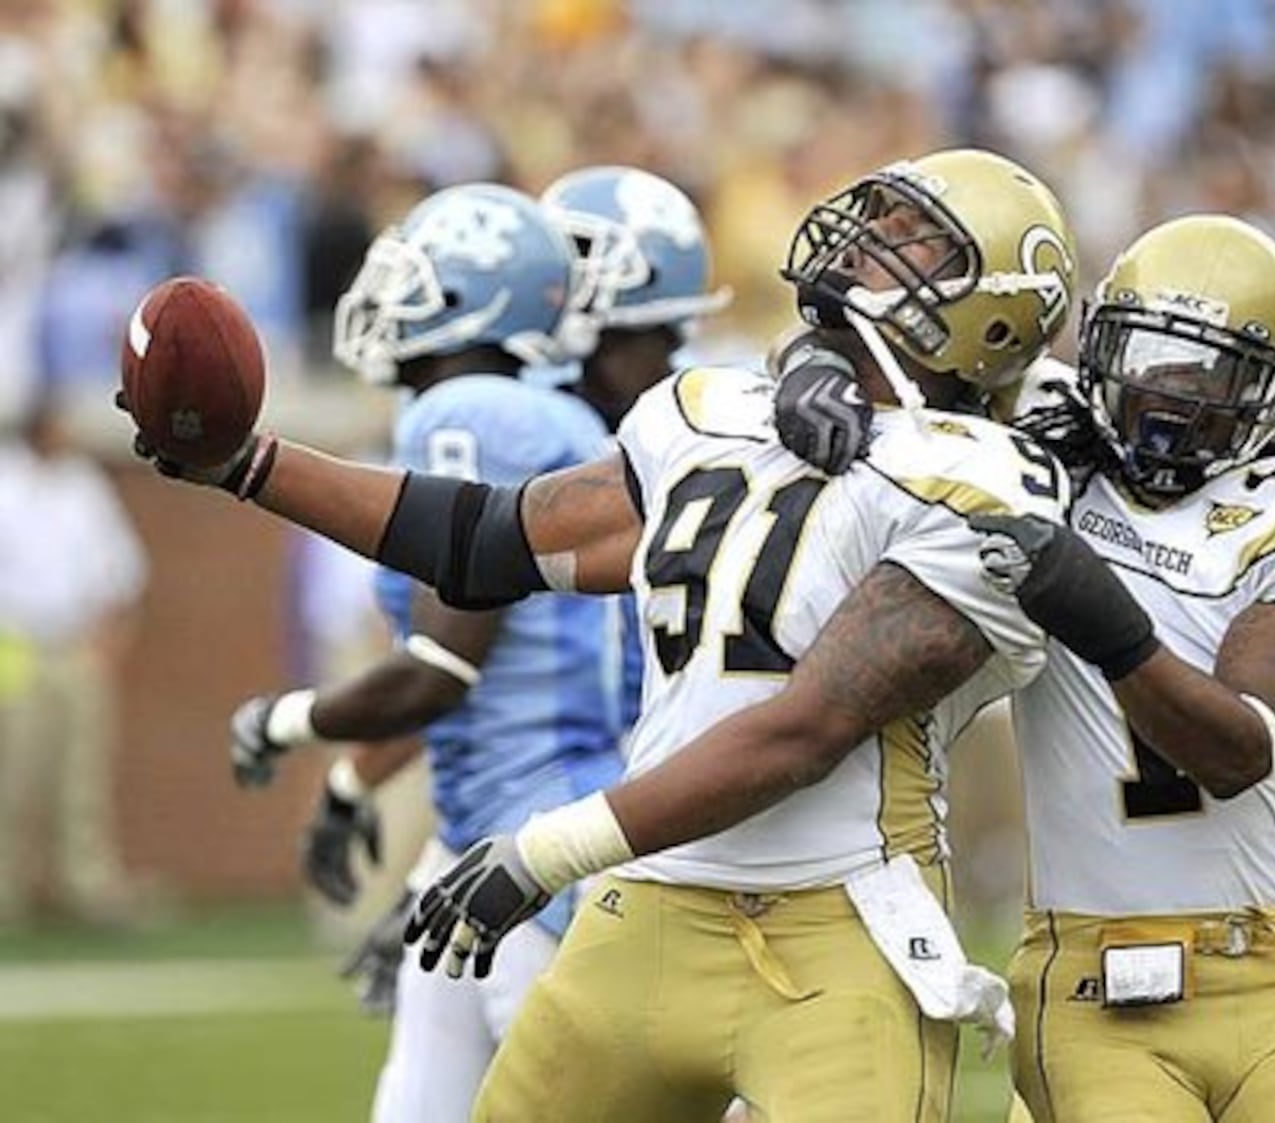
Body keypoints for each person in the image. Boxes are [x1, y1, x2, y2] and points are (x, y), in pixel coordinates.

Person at [126, 148, 1106, 1122]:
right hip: (649, 909)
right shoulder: (710, 410)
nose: (863, 242)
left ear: (990, 310)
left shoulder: (987, 488)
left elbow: (801, 730)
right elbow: (491, 539)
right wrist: (247, 466)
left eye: (908, 238)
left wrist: (544, 851)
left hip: (837, 927)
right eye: (879, 217)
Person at [777, 214, 1275, 1121]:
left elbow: (1238, 750)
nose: (1163, 393)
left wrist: (1096, 610)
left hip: (1269, 972)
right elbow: (884, 348)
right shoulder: (1039, 437)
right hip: (1094, 980)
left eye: (1209, 369)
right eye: (1140, 351)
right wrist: (810, 363)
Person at [223, 179, 647, 1123]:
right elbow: (481, 675)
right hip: (495, 826)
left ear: (474, 299)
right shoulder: (548, 417)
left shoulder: (472, 413)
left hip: (535, 843)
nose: (390, 294)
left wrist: (277, 721)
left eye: (419, 276)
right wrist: (350, 785)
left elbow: (442, 669)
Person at [0, 394, 148, 928]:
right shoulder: (6, 486)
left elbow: (122, 570)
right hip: (15, 648)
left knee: (83, 775)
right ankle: (9, 890)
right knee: (15, 771)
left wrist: (108, 640)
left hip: (76, 645)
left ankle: (86, 887)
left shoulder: (83, 486)